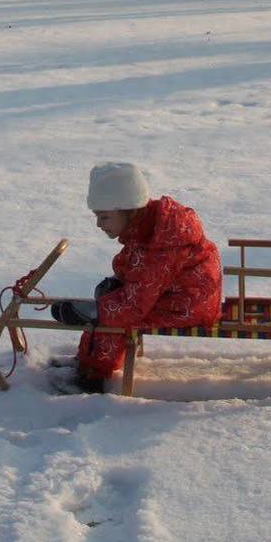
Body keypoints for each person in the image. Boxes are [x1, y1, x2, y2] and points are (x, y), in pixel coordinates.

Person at [49, 162, 223, 393]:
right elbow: (134, 264)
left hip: (189, 304)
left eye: (104, 217)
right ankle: (89, 361)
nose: (98, 224)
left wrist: (93, 311)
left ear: (127, 210)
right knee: (112, 301)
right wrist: (116, 282)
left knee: (115, 314)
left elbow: (134, 305)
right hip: (174, 295)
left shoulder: (163, 243)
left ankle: (92, 378)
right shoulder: (147, 226)